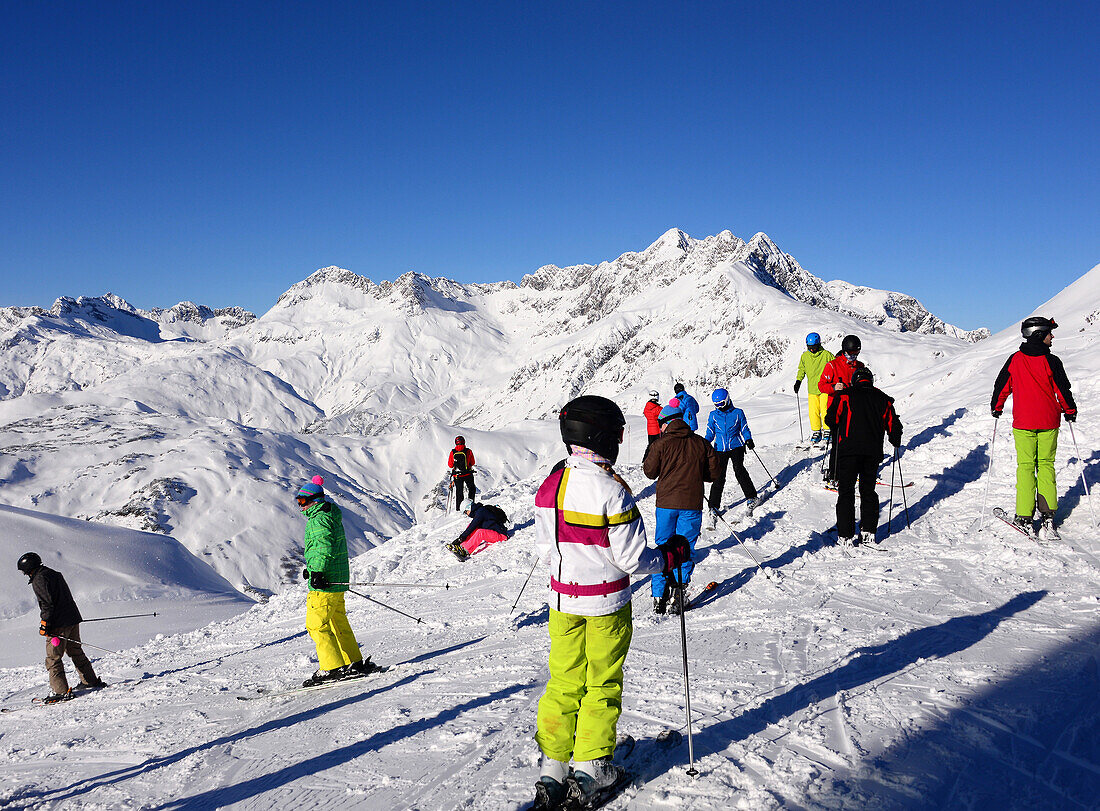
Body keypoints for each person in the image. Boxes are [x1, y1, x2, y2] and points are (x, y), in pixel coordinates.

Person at [532, 395, 689, 810]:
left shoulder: (550, 485)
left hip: (562, 601)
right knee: (601, 682)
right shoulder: (611, 490)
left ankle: (553, 770)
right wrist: (669, 556)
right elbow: (633, 558)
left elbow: (545, 551)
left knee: (564, 680)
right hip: (605, 603)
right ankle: (590, 768)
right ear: (605, 438)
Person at [990, 316, 1077, 540]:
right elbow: (1062, 388)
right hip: (1049, 422)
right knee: (1046, 465)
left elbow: (1002, 386)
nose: (1052, 336)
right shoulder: (1052, 361)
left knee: (1026, 467)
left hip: (1024, 423)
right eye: (1050, 333)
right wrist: (1069, 410)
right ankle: (1048, 516)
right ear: (1039, 334)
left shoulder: (1015, 360)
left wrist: (996, 408)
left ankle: (1024, 517)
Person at [297, 475, 382, 686]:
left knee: (316, 625)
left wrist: (317, 572)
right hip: (337, 579)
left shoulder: (318, 520)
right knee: (337, 621)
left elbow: (322, 547)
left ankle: (331, 667)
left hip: (325, 583)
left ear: (314, 500)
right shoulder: (330, 515)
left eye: (302, 501)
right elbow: (326, 548)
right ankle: (354, 661)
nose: (301, 506)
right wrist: (314, 569)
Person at [643, 402, 721, 615]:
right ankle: (679, 592)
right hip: (691, 503)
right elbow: (714, 474)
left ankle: (659, 596)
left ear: (667, 423)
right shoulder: (701, 443)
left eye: (661, 424)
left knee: (663, 547)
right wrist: (698, 475)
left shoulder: (660, 444)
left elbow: (649, 472)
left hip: (666, 504)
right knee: (685, 548)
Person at [824, 368, 903, 546]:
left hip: (848, 452)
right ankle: (868, 531)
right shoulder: (883, 399)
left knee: (846, 492)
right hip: (872, 453)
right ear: (871, 381)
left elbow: (831, 420)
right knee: (868, 491)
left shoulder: (844, 395)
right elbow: (893, 425)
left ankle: (845, 535)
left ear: (854, 381)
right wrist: (895, 439)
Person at [17, 552, 106, 704]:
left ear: (29, 568)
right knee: (75, 651)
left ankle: (61, 691)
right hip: (72, 619)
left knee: (53, 658)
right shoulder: (54, 574)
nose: (25, 574)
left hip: (57, 625)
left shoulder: (39, 579)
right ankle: (90, 681)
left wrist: (45, 623)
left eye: (24, 570)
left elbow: (47, 603)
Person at [703, 388, 758, 529]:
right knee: (719, 476)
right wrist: (703, 444)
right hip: (720, 448)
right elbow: (710, 432)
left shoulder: (738, 413)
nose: (719, 407)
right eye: (716, 405)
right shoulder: (713, 415)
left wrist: (748, 439)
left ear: (727, 399)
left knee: (739, 470)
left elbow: (744, 428)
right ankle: (713, 506)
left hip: (736, 446)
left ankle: (751, 497)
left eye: (721, 403)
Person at [818, 334, 865, 483]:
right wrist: (833, 387)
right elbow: (821, 385)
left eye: (856, 354)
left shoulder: (860, 366)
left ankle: (853, 470)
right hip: (837, 410)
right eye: (851, 353)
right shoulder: (832, 365)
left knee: (855, 442)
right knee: (838, 443)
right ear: (844, 351)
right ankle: (834, 474)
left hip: (854, 410)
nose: (853, 357)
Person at [795, 332, 836, 445]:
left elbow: (834, 366)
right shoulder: (805, 356)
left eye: (814, 347)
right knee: (813, 412)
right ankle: (816, 431)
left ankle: (827, 431)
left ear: (819, 344)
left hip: (825, 388)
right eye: (809, 347)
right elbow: (801, 369)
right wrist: (798, 381)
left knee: (825, 410)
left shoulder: (826, 355)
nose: (812, 350)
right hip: (812, 389)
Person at [448, 436, 476, 511]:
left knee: (459, 492)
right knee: (471, 488)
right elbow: (473, 462)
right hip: (468, 474)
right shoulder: (468, 451)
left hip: (457, 476)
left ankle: (459, 508)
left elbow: (450, 465)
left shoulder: (453, 452)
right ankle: (471, 505)